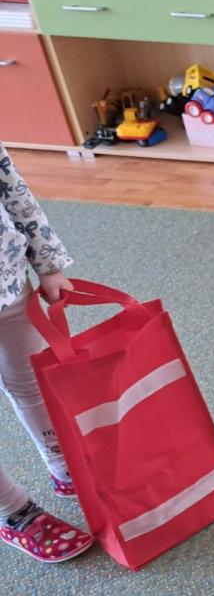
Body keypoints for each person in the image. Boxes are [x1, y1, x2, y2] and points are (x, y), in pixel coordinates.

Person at [0, 142, 93, 563]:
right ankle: (13, 512)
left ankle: (63, 464)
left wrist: (47, 263)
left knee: (31, 379)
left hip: (7, 277)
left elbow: (11, 186)